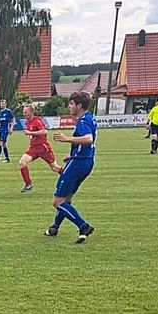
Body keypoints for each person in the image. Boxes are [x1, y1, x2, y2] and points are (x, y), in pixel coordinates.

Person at [47, 91, 96, 243]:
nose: (69, 106)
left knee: (57, 202)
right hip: (86, 161)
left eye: (71, 104)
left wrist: (66, 139)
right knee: (66, 198)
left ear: (79, 106)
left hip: (78, 164)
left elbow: (89, 139)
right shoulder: (89, 118)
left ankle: (84, 226)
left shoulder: (82, 122)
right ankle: (54, 227)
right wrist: (73, 154)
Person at [18, 104, 63, 192]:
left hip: (43, 148)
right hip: (33, 148)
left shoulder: (37, 120)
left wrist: (31, 133)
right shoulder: (27, 122)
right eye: (23, 112)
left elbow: (44, 131)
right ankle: (28, 184)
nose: (24, 114)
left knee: (55, 168)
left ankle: (69, 177)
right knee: (22, 162)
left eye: (26, 112)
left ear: (31, 112)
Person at [0, 99, 14, 163]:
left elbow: (13, 119)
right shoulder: (0, 112)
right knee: (3, 144)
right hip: (1, 130)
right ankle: (7, 158)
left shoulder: (8, 111)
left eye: (3, 104)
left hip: (5, 129)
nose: (2, 105)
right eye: (1, 104)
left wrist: (11, 128)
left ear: (6, 104)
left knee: (0, 143)